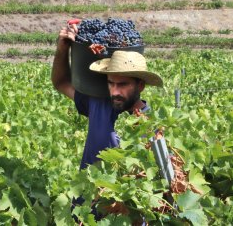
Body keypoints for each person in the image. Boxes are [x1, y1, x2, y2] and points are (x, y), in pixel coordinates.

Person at [51, 24, 163, 170]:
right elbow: (61, 82)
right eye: (111, 83)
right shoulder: (98, 104)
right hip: (87, 193)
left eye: (122, 84)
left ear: (140, 86)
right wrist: (62, 48)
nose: (115, 91)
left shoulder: (150, 127)